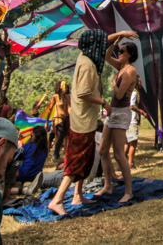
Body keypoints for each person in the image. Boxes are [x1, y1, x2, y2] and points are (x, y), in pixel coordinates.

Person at [48, 29, 119, 215]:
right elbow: (83, 93)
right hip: (82, 120)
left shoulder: (84, 56)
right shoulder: (88, 66)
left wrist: (119, 36)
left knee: (86, 158)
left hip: (83, 119)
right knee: (76, 159)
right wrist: (105, 103)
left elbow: (101, 45)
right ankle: (57, 199)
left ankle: (77, 195)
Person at [97, 37, 139, 198]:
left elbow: (119, 93)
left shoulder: (130, 71)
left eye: (122, 51)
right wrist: (117, 39)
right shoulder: (121, 66)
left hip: (121, 112)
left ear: (130, 54)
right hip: (113, 111)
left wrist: (114, 82)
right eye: (119, 51)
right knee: (102, 150)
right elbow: (107, 57)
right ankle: (108, 185)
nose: (119, 54)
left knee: (119, 154)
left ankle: (128, 191)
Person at [8, 126, 48, 200]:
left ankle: (16, 186)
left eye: (31, 135)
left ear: (35, 136)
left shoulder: (29, 146)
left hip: (22, 173)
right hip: (34, 175)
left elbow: (16, 156)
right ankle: (23, 183)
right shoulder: (45, 150)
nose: (30, 137)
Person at [126, 78, 144, 169]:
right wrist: (141, 111)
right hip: (132, 120)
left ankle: (123, 162)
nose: (141, 83)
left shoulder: (129, 91)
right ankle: (130, 163)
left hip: (128, 119)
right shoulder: (134, 92)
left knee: (127, 143)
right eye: (140, 81)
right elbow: (132, 106)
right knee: (133, 142)